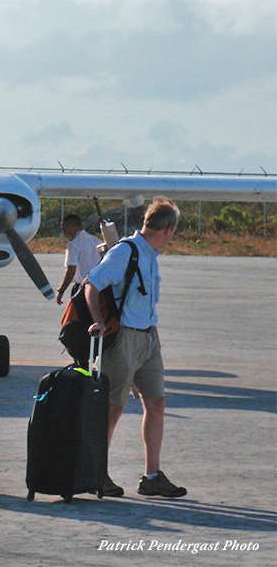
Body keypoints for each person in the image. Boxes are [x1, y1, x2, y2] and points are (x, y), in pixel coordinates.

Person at [85, 197, 187, 499]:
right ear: (168, 230)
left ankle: (152, 476)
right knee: (113, 408)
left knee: (156, 404)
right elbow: (92, 284)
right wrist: (98, 322)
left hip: (147, 339)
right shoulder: (124, 252)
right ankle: (95, 473)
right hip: (124, 339)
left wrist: (153, 335)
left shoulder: (151, 254)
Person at [55, 214, 102, 305]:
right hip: (98, 288)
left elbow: (71, 270)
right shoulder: (96, 241)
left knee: (78, 317)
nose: (64, 233)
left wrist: (61, 290)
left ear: (73, 227)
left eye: (65, 230)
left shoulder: (74, 243)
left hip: (82, 288)